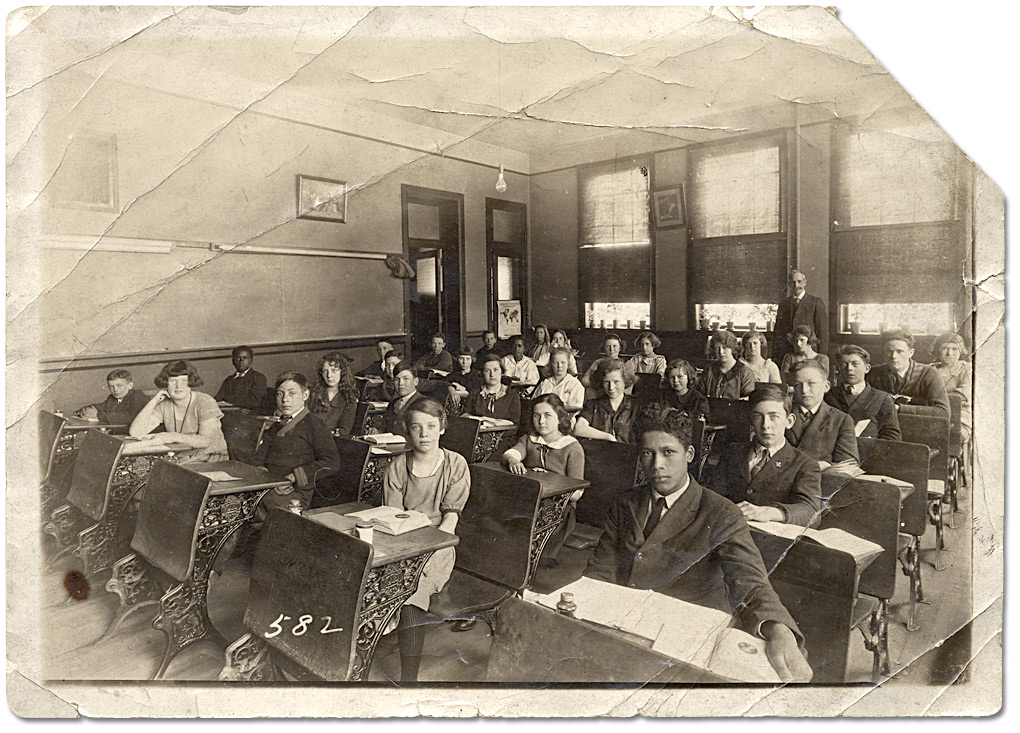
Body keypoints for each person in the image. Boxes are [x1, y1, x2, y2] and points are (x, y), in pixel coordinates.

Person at [585, 404, 812, 683]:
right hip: (623, 626)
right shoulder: (625, 503)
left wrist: (778, 629)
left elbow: (749, 581)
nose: (657, 465)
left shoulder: (720, 511)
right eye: (648, 453)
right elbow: (599, 571)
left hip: (685, 637)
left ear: (689, 455)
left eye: (669, 453)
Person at [383, 397, 470, 682]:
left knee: (411, 590)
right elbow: (393, 518)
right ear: (407, 431)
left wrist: (424, 554)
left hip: (440, 545)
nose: (424, 434)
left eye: (431, 426)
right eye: (417, 427)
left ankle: (409, 681)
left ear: (442, 428)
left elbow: (450, 521)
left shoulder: (455, 464)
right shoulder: (398, 466)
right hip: (402, 541)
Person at [709, 385, 822, 526]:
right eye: (758, 416)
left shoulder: (804, 464)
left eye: (773, 417)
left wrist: (770, 512)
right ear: (751, 420)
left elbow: (811, 511)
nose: (765, 425)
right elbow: (713, 495)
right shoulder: (733, 452)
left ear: (789, 421)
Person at [502, 393, 584, 566]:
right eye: (536, 416)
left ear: (560, 417)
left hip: (559, 507)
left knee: (541, 543)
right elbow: (513, 452)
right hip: (530, 499)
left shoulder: (572, 447)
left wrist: (550, 484)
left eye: (548, 416)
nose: (541, 421)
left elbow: (577, 492)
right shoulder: (530, 440)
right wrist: (513, 460)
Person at [254, 372, 341, 515]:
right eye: (279, 394)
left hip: (295, 492)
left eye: (292, 393)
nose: (285, 400)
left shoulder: (315, 424)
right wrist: (263, 475)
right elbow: (260, 455)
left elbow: (332, 462)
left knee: (252, 509)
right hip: (269, 485)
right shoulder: (277, 424)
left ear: (305, 395)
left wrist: (293, 477)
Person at [129, 360, 229, 463]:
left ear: (190, 382)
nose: (178, 386)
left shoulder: (204, 401)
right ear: (166, 383)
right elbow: (136, 433)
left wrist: (172, 436)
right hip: (182, 459)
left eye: (183, 381)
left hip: (211, 458)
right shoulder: (164, 404)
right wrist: (154, 401)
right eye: (173, 381)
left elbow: (205, 441)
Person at [786, 360, 859, 468]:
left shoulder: (841, 420)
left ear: (826, 386)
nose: (804, 390)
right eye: (797, 384)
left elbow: (848, 465)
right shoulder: (782, 414)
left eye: (811, 383)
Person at [867, 330, 951, 418]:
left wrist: (899, 408)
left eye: (899, 351)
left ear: (911, 353)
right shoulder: (873, 373)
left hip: (919, 427)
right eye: (889, 351)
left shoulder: (930, 374)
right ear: (883, 352)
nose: (893, 356)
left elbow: (943, 412)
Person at [825, 344, 901, 441]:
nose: (849, 368)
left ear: (867, 368)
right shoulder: (829, 396)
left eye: (855, 364)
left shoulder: (883, 399)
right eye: (844, 364)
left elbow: (892, 436)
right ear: (839, 369)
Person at [574, 359, 639, 443]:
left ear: (625, 381)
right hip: (599, 453)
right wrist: (608, 437)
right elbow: (578, 428)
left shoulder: (636, 406)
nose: (611, 387)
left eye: (616, 382)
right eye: (606, 382)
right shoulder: (593, 404)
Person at [774, 269, 828, 364]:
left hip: (810, 354)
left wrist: (821, 357)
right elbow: (778, 333)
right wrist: (776, 356)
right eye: (793, 282)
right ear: (789, 284)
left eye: (799, 282)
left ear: (804, 282)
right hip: (788, 354)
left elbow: (823, 333)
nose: (796, 285)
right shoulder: (783, 305)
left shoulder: (816, 302)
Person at [930, 332, 972, 443]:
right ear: (937, 350)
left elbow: (962, 395)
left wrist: (932, 399)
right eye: (945, 349)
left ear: (961, 351)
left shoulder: (967, 368)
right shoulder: (930, 369)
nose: (950, 353)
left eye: (955, 349)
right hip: (932, 413)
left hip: (959, 416)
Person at [308, 352, 359, 436]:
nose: (329, 375)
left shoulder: (349, 398)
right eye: (325, 371)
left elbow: (344, 429)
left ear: (342, 373)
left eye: (334, 371)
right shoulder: (313, 393)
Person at [73, 368, 148, 425]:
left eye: (119, 386)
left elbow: (128, 418)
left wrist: (98, 414)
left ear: (130, 385)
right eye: (111, 386)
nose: (115, 390)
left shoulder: (138, 397)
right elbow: (100, 407)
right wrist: (84, 411)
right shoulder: (112, 398)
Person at [463, 354, 522, 424]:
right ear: (482, 373)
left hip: (504, 434)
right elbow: (464, 417)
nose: (492, 374)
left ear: (502, 372)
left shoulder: (512, 395)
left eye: (496, 370)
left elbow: (515, 424)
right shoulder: (474, 394)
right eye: (487, 370)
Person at [698, 330, 755, 399]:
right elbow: (700, 397)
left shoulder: (745, 373)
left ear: (732, 348)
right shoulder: (709, 370)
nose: (721, 352)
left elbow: (746, 402)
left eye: (725, 348)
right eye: (717, 348)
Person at [214, 346, 268, 411]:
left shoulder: (258, 378)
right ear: (233, 361)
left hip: (250, 414)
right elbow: (218, 398)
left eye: (245, 358)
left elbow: (254, 401)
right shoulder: (229, 379)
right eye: (238, 358)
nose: (242, 361)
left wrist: (229, 400)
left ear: (251, 361)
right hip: (230, 412)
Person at [535, 347, 585, 413]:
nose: (559, 366)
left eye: (563, 362)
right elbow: (534, 403)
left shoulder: (575, 384)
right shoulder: (545, 383)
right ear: (551, 364)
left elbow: (575, 408)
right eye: (555, 363)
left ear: (568, 364)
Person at [446, 346, 481, 410]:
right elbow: (445, 383)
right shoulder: (453, 375)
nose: (464, 362)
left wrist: (463, 388)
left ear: (472, 359)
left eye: (467, 359)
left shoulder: (477, 375)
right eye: (461, 358)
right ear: (457, 359)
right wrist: (451, 388)